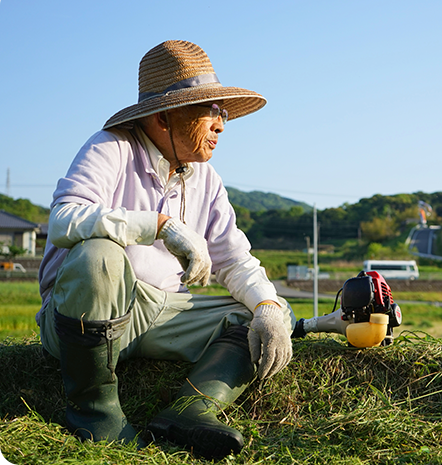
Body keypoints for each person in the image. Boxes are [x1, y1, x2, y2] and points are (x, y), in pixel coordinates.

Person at [37, 40, 296, 459]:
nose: (221, 124)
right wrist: (159, 226)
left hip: (159, 312)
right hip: (83, 315)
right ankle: (94, 411)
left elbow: (235, 259)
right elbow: (65, 218)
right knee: (98, 255)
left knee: (267, 310)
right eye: (211, 110)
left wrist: (267, 307)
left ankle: (192, 409)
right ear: (164, 116)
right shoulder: (112, 147)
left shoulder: (205, 178)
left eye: (222, 112)